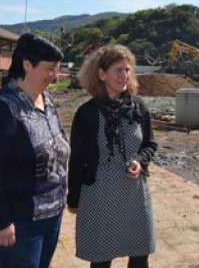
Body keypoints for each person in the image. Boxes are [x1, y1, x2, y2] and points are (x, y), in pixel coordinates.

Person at [0, 33, 70, 268]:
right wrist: (0, 222)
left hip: (51, 216)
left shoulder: (47, 100)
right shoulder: (4, 108)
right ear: (27, 63)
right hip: (18, 222)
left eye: (57, 69)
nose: (55, 76)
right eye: (50, 69)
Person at [67, 44, 156, 268]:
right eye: (118, 69)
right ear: (101, 74)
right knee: (101, 257)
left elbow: (150, 144)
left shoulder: (139, 107)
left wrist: (140, 161)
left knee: (140, 253)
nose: (124, 75)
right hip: (100, 193)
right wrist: (74, 198)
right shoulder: (87, 113)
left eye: (127, 70)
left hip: (135, 193)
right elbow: (77, 159)